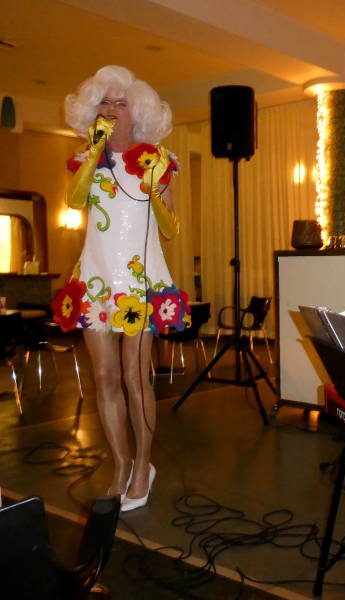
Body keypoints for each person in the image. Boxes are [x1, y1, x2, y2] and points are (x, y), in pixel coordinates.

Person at [52, 65, 190, 512]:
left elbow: (171, 229)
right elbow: (75, 200)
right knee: (105, 378)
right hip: (95, 279)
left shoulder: (158, 160)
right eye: (104, 103)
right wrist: (94, 151)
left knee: (135, 377)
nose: (111, 109)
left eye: (121, 103)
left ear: (138, 113)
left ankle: (144, 465)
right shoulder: (85, 159)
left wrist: (154, 187)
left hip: (140, 281)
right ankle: (121, 464)